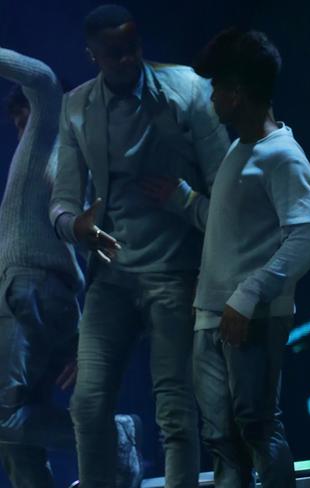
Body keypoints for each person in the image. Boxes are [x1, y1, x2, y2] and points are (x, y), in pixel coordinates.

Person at [48, 4, 230, 487]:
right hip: (112, 276)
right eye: (114, 53)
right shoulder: (77, 107)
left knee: (173, 407)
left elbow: (227, 187)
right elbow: (63, 200)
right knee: (87, 403)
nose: (128, 59)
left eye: (133, 48)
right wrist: (76, 226)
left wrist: (184, 199)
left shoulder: (187, 89)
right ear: (93, 55)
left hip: (174, 273)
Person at [0, 46, 142, 488]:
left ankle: (111, 438)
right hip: (51, 300)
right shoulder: (73, 166)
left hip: (31, 291)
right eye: (17, 121)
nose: (23, 128)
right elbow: (102, 250)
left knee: (4, 416)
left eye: (26, 116)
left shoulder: (50, 132)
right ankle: (106, 442)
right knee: (17, 441)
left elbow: (42, 76)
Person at [191, 28, 310, 487]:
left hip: (252, 317)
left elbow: (306, 235)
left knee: (257, 427)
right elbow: (229, 225)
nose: (211, 96)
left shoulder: (282, 156)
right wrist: (181, 201)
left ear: (237, 93)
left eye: (217, 87)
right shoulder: (239, 149)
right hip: (210, 315)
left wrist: (249, 295)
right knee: (220, 438)